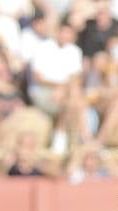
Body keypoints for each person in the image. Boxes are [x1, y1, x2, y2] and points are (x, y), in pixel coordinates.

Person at [27, 20, 87, 150]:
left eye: (68, 33)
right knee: (75, 100)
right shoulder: (43, 47)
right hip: (43, 91)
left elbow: (75, 78)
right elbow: (37, 78)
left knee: (71, 100)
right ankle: (84, 138)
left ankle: (62, 139)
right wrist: (60, 87)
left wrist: (62, 89)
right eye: (63, 32)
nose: (65, 36)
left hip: (64, 92)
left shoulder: (75, 51)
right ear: (57, 32)